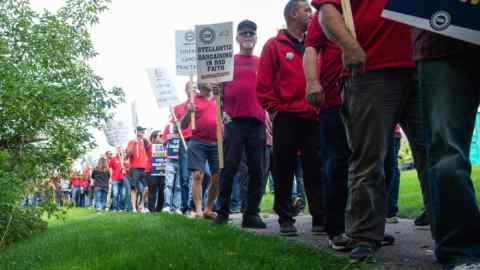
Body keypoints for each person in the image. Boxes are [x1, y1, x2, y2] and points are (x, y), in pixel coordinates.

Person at [315, 0, 430, 262]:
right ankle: (364, 238)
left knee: (437, 157)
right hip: (371, 68)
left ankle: (453, 240)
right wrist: (349, 45)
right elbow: (327, 9)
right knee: (368, 159)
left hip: (427, 63)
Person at [257, 0, 325, 236]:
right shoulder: (273, 46)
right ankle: (286, 218)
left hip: (313, 116)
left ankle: (320, 218)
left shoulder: (314, 44)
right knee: (283, 168)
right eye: (307, 10)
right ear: (293, 14)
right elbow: (263, 84)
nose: (311, 13)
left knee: (315, 169)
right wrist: (275, 110)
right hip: (286, 117)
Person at [414, 30, 480, 270]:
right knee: (447, 155)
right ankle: (462, 250)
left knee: (446, 153)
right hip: (441, 38)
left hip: (441, 41)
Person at [214, 19, 267, 228]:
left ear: (256, 37)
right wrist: (216, 89)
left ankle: (251, 213)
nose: (248, 37)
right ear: (236, 37)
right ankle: (223, 212)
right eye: (244, 33)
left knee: (257, 170)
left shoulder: (262, 61)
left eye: (251, 33)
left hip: (256, 122)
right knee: (229, 168)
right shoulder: (227, 62)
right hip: (234, 122)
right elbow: (214, 88)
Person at [181, 83, 220, 219]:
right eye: (206, 80)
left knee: (216, 177)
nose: (210, 83)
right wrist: (188, 112)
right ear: (200, 82)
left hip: (217, 142)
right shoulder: (193, 100)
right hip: (197, 142)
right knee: (197, 175)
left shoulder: (219, 97)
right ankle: (198, 209)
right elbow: (183, 124)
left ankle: (208, 209)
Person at [173, 82, 196, 214]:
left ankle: (196, 203)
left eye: (195, 87)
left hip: (200, 140)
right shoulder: (178, 107)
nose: (193, 89)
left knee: (207, 175)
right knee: (185, 176)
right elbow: (176, 128)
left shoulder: (202, 103)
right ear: (186, 90)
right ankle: (186, 206)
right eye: (190, 87)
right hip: (185, 141)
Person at [126, 126, 149, 213]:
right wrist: (133, 145)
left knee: (147, 188)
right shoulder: (132, 141)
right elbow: (127, 155)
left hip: (143, 168)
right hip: (134, 168)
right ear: (137, 132)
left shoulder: (144, 142)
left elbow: (149, 145)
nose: (143, 133)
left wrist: (143, 139)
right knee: (133, 188)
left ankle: (141, 205)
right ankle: (134, 208)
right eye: (141, 131)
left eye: (143, 131)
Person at [163, 124, 182, 214]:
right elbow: (161, 141)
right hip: (170, 160)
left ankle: (176, 207)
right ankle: (167, 206)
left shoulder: (185, 126)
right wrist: (167, 138)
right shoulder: (168, 126)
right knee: (169, 184)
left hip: (181, 160)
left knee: (178, 186)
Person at [146, 130, 166, 212]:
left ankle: (159, 209)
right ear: (153, 138)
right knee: (152, 191)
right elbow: (144, 141)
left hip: (162, 171)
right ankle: (152, 210)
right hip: (151, 171)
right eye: (159, 136)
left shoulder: (164, 146)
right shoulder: (149, 146)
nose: (161, 137)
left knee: (162, 191)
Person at [108, 146, 127, 211]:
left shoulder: (125, 159)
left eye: (120, 149)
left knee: (123, 194)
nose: (119, 151)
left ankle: (121, 208)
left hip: (124, 179)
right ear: (116, 151)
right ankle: (115, 208)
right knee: (115, 193)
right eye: (118, 150)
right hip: (115, 179)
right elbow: (110, 168)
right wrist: (110, 177)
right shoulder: (113, 159)